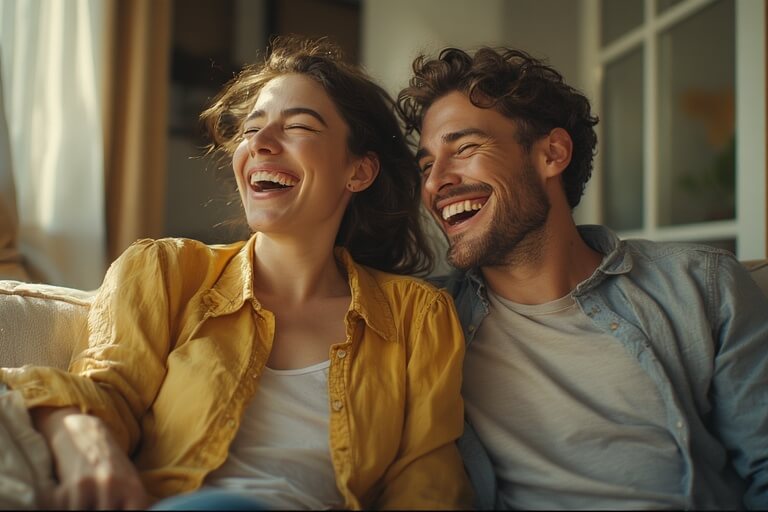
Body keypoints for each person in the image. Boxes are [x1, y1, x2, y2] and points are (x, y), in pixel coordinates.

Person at [0, 37, 473, 510]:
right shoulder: (166, 271)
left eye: (299, 127)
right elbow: (108, 389)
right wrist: (86, 440)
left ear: (359, 171)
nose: (260, 144)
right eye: (251, 129)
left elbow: (426, 474)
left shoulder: (418, 315)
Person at [397, 46, 768, 510]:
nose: (435, 183)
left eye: (465, 148)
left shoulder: (704, 287)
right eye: (427, 166)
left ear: (552, 154)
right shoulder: (420, 320)